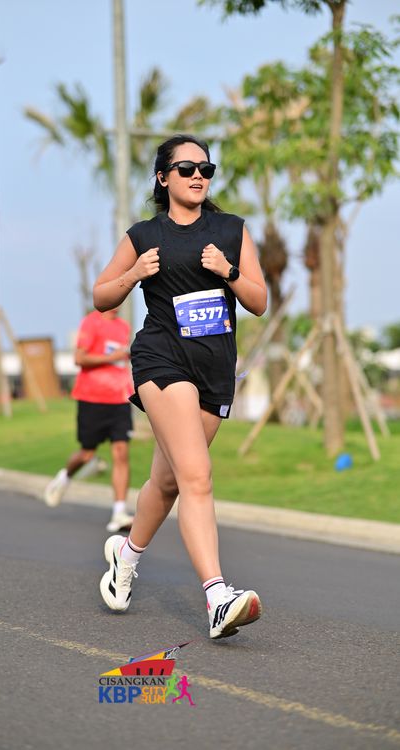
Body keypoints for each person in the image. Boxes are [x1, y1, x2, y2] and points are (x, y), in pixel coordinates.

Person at [94, 134, 267, 640]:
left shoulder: (231, 230)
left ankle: (125, 557)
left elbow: (259, 301)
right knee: (197, 477)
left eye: (205, 169)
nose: (198, 176)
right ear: (162, 177)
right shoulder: (144, 235)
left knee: (168, 481)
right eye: (186, 168)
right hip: (162, 360)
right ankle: (217, 597)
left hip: (215, 368)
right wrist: (133, 273)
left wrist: (227, 270)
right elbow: (102, 295)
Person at [44, 308, 134, 533]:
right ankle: (65, 476)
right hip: (92, 398)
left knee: (121, 452)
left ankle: (119, 512)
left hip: (120, 398)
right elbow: (79, 358)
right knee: (86, 454)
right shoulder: (91, 322)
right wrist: (112, 357)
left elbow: (122, 359)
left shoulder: (123, 326)